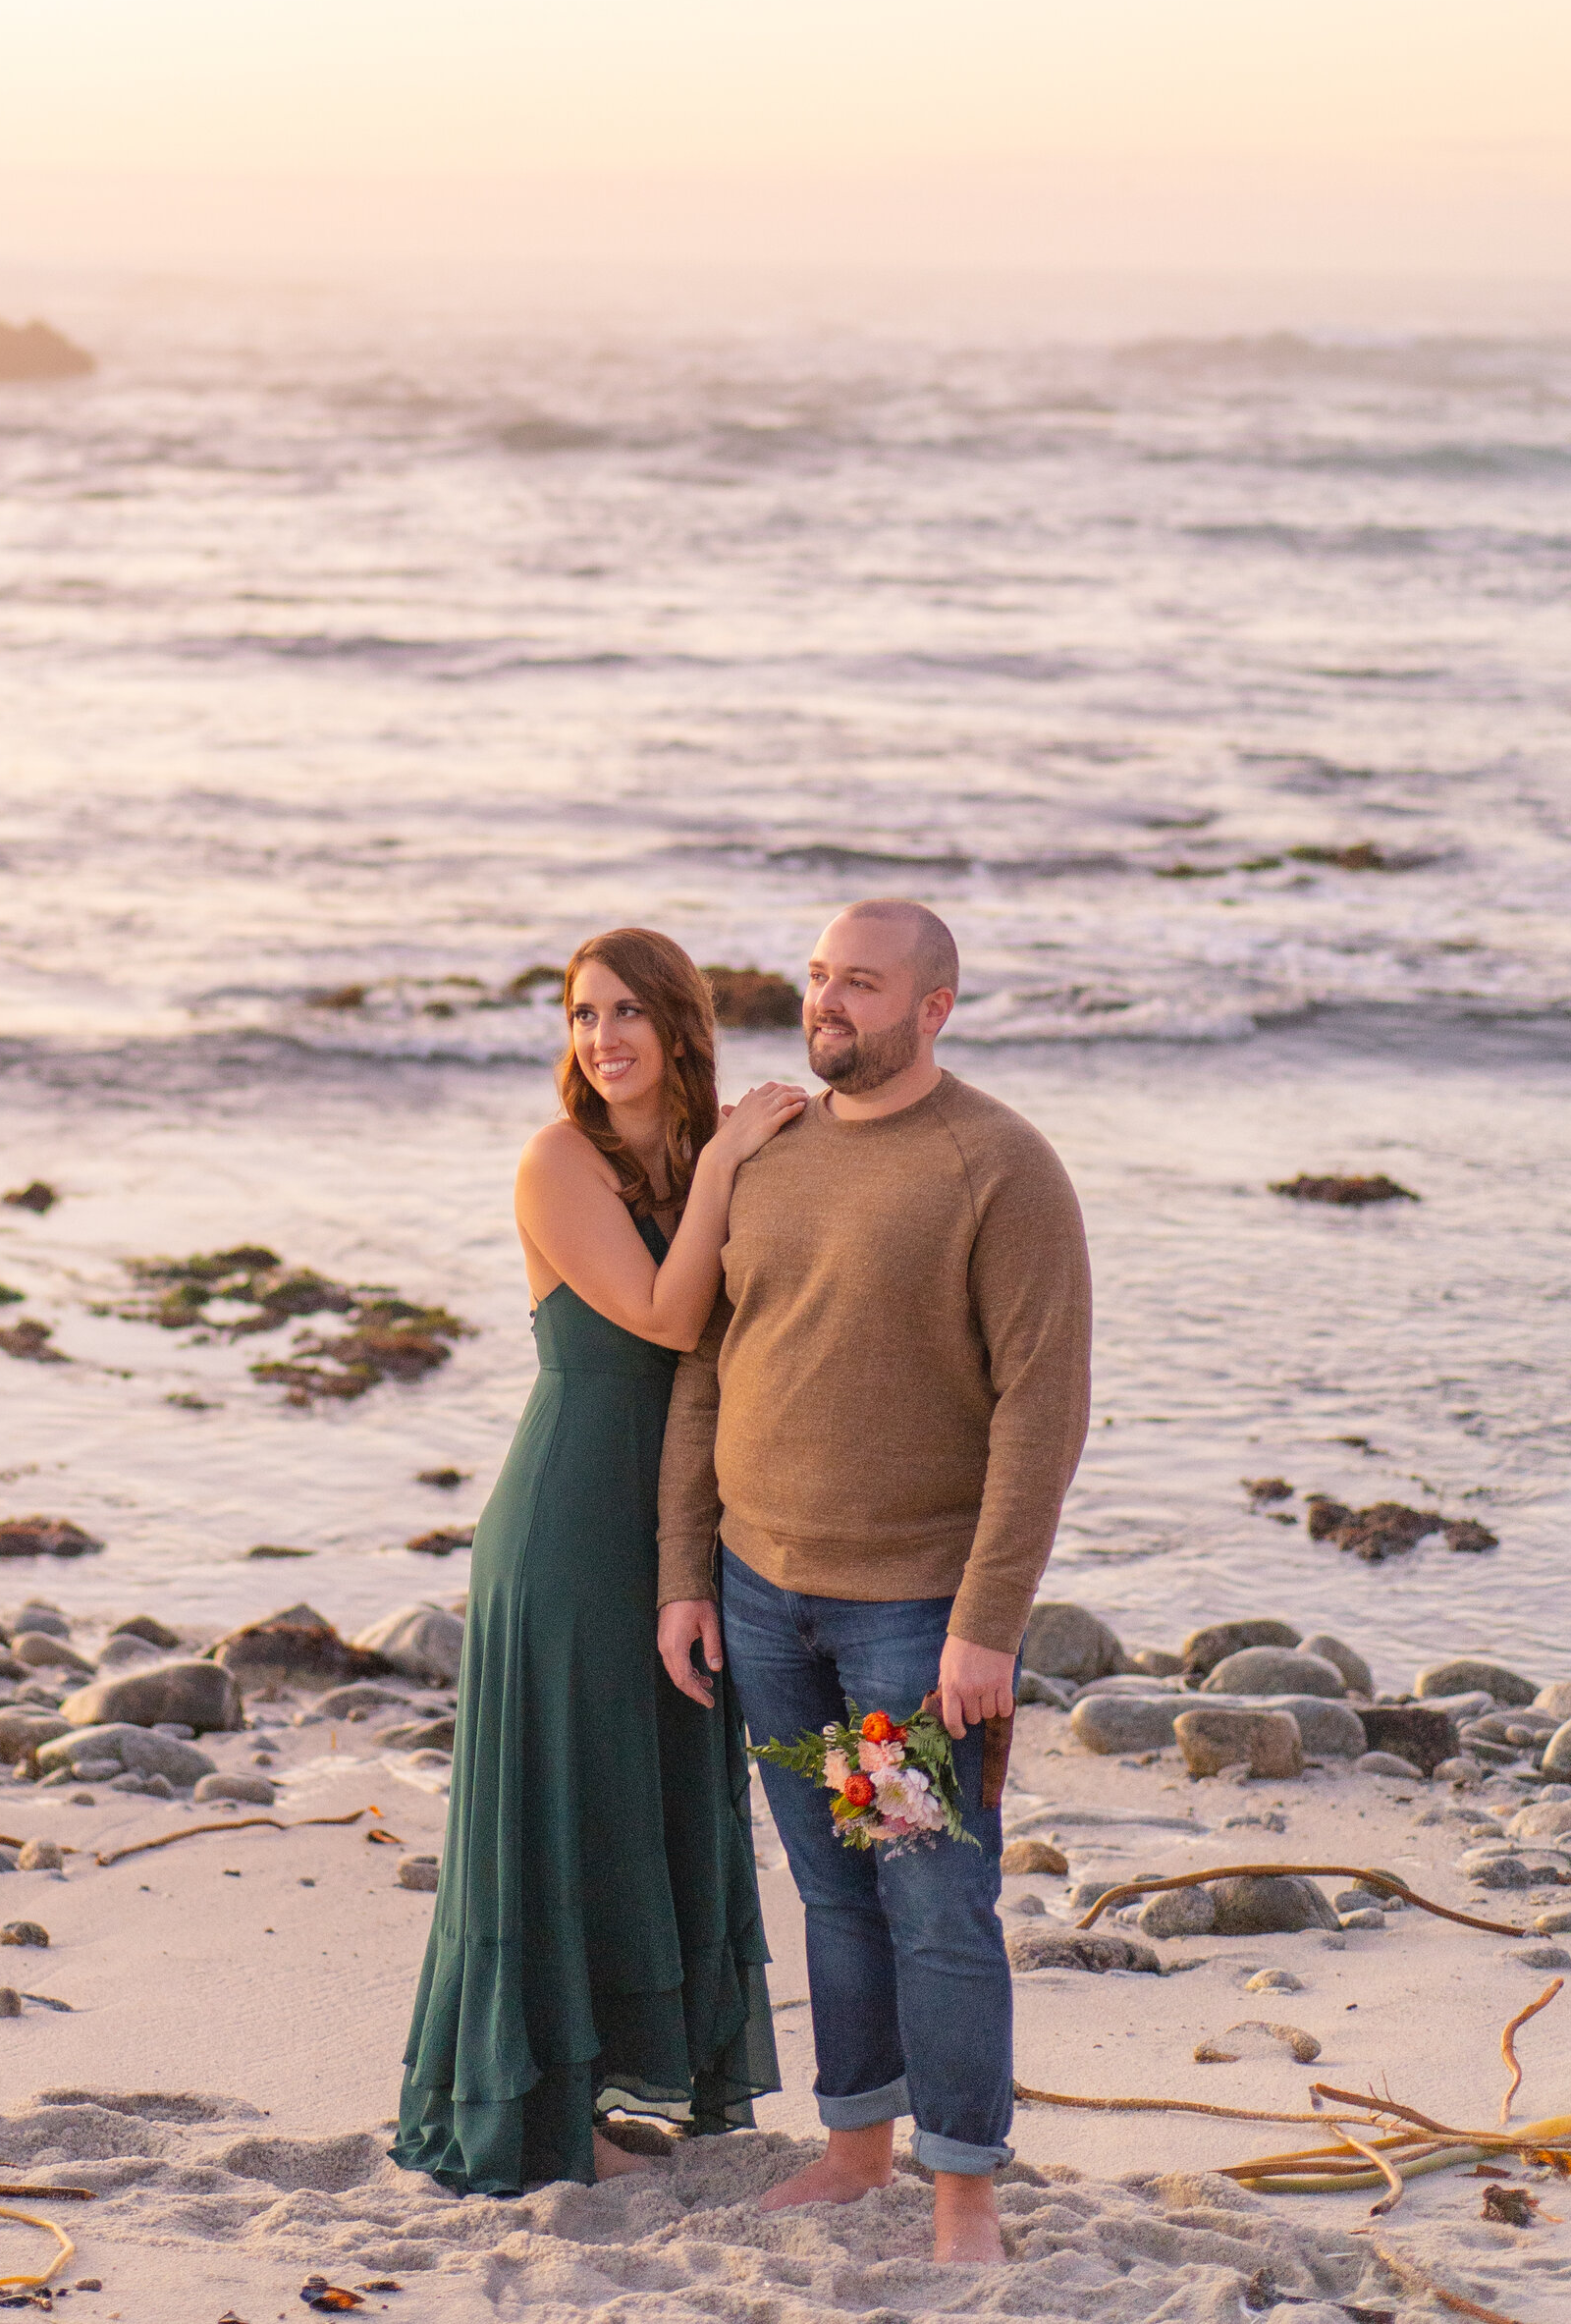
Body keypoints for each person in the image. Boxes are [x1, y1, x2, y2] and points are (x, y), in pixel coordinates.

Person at [654, 900, 1091, 2267]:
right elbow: (707, 1365)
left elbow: (1042, 1407)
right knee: (834, 1892)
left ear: (936, 1006)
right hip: (766, 1597)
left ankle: (963, 2192)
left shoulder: (998, 1166)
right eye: (819, 976)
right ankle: (857, 2150)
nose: (828, 1002)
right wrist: (686, 1569)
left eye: (862, 982)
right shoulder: (768, 1154)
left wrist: (984, 1625)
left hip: (907, 1620)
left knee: (926, 1893)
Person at [395, 928, 806, 2195]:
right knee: (564, 1809)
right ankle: (541, 2116)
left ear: (681, 1028)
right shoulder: (557, 1159)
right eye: (583, 1014)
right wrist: (738, 1152)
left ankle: (612, 2087)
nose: (603, 1036)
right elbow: (671, 1316)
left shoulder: (686, 1161)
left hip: (689, 1522)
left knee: (650, 1798)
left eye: (629, 1011)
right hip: (572, 1521)